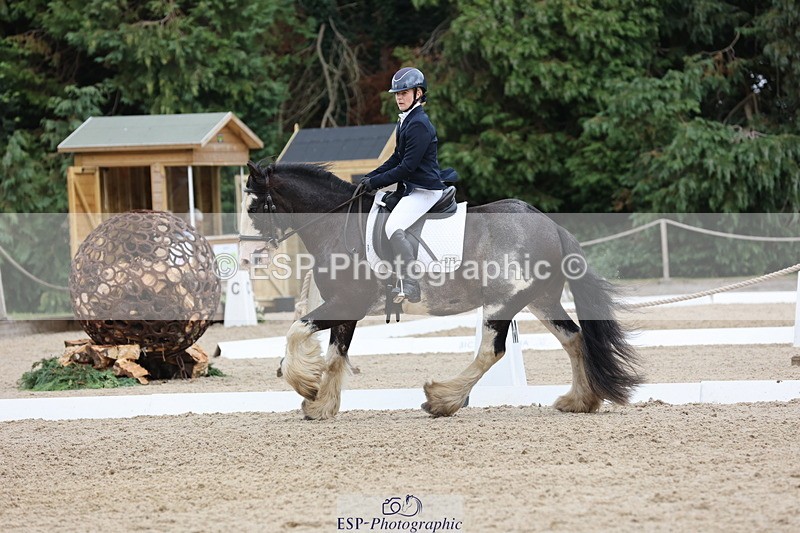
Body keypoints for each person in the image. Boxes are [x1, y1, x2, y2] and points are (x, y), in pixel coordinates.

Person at [360, 67, 446, 303]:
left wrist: (375, 183)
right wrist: (369, 178)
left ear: (418, 93)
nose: (399, 97)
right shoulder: (406, 121)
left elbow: (407, 168)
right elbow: (396, 158)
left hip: (425, 191)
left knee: (393, 226)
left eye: (404, 93)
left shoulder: (419, 123)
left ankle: (411, 283)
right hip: (412, 189)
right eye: (397, 93)